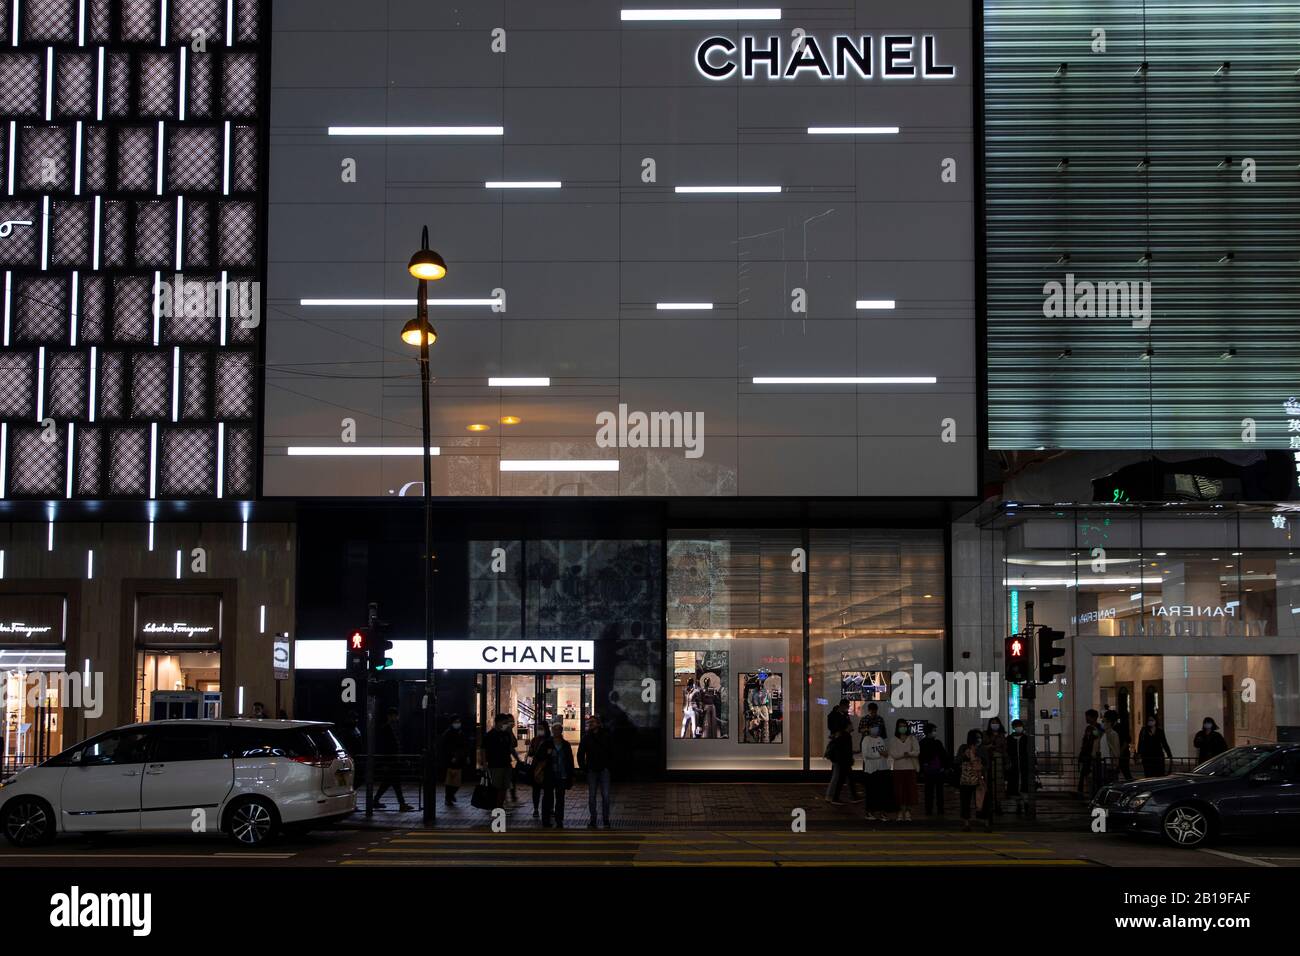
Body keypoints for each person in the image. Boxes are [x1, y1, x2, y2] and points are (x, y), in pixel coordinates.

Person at [373, 707, 414, 811]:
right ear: (390, 716)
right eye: (394, 715)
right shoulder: (386, 729)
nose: (396, 717)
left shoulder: (393, 728)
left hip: (394, 760)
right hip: (391, 761)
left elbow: (397, 746)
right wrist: (385, 762)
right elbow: (385, 747)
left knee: (388, 782)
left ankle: (376, 800)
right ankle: (402, 804)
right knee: (395, 782)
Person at [577, 715, 613, 828]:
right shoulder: (586, 737)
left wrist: (608, 766)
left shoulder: (605, 736)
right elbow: (580, 753)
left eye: (592, 722)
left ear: (598, 723)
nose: (590, 724)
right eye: (589, 722)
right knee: (592, 796)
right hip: (592, 770)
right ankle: (594, 820)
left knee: (605, 796)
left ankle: (605, 820)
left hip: (603, 769)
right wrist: (584, 767)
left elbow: (612, 751)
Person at [538, 721, 575, 828]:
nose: (556, 731)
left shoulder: (566, 744)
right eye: (555, 729)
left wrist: (571, 774)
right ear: (552, 730)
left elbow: (570, 760)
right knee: (547, 798)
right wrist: (547, 754)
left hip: (562, 775)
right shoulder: (546, 743)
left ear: (561, 731)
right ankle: (546, 819)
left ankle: (559, 819)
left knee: (560, 798)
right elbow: (540, 757)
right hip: (549, 774)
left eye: (559, 729)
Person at [825, 699, 858, 803]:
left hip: (843, 750)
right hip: (840, 751)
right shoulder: (835, 716)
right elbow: (835, 731)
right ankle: (833, 796)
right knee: (840, 774)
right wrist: (843, 731)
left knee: (842, 774)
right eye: (847, 706)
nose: (848, 708)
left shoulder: (843, 715)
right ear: (843, 706)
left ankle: (835, 796)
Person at [956, 730, 990, 831]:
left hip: (979, 779)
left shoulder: (982, 749)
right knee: (965, 801)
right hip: (966, 779)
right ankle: (966, 823)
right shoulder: (964, 748)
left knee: (982, 801)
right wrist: (964, 756)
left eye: (980, 737)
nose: (979, 739)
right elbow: (957, 760)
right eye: (977, 737)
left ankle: (985, 822)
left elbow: (986, 764)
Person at [887, 720, 921, 822]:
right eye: (900, 726)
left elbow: (917, 752)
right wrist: (905, 754)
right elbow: (893, 754)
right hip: (898, 769)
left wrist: (909, 754)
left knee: (910, 791)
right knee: (899, 791)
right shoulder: (893, 740)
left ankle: (908, 811)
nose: (903, 728)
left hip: (910, 768)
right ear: (897, 727)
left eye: (904, 726)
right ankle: (900, 811)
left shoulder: (912, 738)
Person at [482, 713, 515, 809]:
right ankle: (496, 805)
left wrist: (510, 732)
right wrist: (484, 763)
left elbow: (512, 746)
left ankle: (500, 805)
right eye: (504, 723)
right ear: (498, 722)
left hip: (506, 763)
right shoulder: (490, 735)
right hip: (495, 765)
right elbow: (484, 749)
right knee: (497, 787)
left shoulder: (506, 734)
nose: (506, 725)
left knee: (504, 787)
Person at [861, 721, 892, 821]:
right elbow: (866, 754)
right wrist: (880, 755)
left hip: (882, 768)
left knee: (882, 792)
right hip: (871, 770)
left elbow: (885, 751)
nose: (876, 729)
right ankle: (870, 812)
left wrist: (885, 755)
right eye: (873, 727)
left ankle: (882, 812)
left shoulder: (880, 739)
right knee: (871, 792)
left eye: (877, 727)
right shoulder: (866, 739)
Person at [918, 722, 949, 816]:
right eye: (934, 731)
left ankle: (929, 810)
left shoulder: (922, 743)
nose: (935, 732)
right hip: (937, 770)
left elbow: (921, 758)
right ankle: (939, 810)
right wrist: (945, 767)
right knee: (938, 792)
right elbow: (944, 756)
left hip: (930, 771)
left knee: (929, 792)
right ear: (929, 732)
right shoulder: (936, 743)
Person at [437, 715, 469, 806]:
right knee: (451, 780)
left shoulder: (460, 733)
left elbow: (465, 745)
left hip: (459, 759)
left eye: (459, 722)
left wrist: (466, 756)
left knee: (457, 780)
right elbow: (446, 747)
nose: (458, 724)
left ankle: (450, 795)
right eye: (456, 722)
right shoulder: (449, 733)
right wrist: (452, 756)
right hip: (452, 760)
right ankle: (449, 796)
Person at [1005, 718, 1032, 815]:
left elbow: (1030, 751)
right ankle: (1019, 805)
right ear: (1013, 727)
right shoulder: (1009, 739)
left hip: (1024, 766)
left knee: (1024, 785)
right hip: (1014, 766)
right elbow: (1007, 752)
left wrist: (1034, 764)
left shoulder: (1026, 738)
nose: (1018, 728)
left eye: (1019, 726)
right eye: (1016, 726)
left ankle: (1025, 803)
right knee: (1015, 786)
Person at [526, 722, 552, 818]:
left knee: (548, 790)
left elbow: (550, 754)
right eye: (538, 728)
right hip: (536, 767)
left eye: (541, 728)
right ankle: (536, 809)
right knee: (536, 789)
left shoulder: (549, 740)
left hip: (546, 768)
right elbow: (530, 753)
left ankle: (549, 809)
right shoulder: (535, 740)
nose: (539, 730)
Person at [1091, 713, 1122, 795]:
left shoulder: (1113, 734)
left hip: (1109, 764)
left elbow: (1116, 751)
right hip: (1102, 763)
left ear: (1109, 722)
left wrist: (1115, 763)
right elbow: (1096, 749)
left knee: (1110, 785)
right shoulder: (1102, 734)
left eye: (1103, 721)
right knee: (1102, 784)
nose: (1102, 723)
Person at [983, 717, 1007, 813]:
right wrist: (989, 746)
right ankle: (990, 804)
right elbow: (981, 746)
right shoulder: (985, 734)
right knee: (988, 782)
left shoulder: (1002, 735)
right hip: (988, 760)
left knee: (999, 783)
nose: (994, 724)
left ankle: (998, 804)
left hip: (999, 761)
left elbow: (1005, 749)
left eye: (996, 723)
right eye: (992, 723)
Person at [1075, 709, 1100, 794]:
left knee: (1087, 774)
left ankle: (1084, 791)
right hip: (1086, 755)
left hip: (1091, 755)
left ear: (1093, 717)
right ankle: (1082, 790)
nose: (1086, 718)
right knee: (1084, 774)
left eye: (1087, 717)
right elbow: (1085, 741)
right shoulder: (1088, 728)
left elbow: (1096, 741)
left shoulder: (1097, 728)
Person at [1105, 708, 1133, 782]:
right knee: (1114, 773)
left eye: (1106, 720)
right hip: (1116, 754)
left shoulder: (1120, 727)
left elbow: (1127, 740)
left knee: (1126, 772)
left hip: (1123, 754)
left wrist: (1120, 753)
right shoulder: (1110, 729)